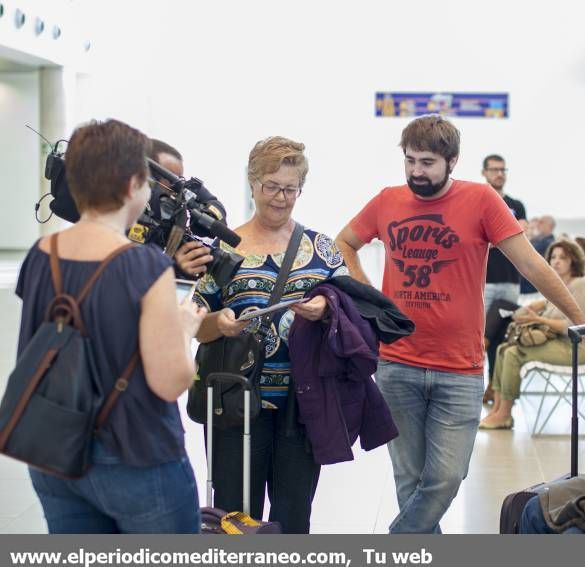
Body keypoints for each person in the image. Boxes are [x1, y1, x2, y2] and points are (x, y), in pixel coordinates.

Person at [335, 115, 585, 533]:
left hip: (459, 368)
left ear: (453, 161)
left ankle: (395, 541)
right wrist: (371, 303)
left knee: (446, 477)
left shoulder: (481, 200)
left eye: (427, 162)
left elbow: (530, 264)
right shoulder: (387, 200)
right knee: (408, 480)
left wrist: (581, 318)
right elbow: (345, 243)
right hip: (397, 363)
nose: (416, 171)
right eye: (409, 161)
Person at [16, 119, 206, 533]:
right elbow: (170, 382)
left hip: (54, 452)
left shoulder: (40, 254)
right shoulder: (144, 266)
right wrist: (186, 328)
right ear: (130, 187)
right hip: (135, 456)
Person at [194, 136, 348, 533]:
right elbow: (196, 322)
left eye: (290, 189)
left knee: (294, 517)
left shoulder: (322, 250)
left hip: (302, 405)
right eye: (271, 186)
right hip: (235, 405)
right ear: (252, 182)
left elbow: (353, 311)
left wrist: (326, 308)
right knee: (234, 517)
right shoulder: (223, 250)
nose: (280, 198)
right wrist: (220, 323)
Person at [480, 240, 585, 429]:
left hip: (578, 348)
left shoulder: (580, 285)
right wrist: (537, 307)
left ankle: (504, 414)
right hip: (560, 342)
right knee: (504, 348)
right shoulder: (559, 286)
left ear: (573, 261)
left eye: (562, 257)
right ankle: (497, 408)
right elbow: (533, 314)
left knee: (513, 354)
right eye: (553, 257)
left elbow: (571, 325)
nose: (556, 261)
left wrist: (539, 320)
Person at [145, 139, 228, 279]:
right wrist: (173, 270)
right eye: (170, 182)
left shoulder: (174, 222)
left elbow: (214, 205)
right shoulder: (126, 221)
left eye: (179, 181)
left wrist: (183, 271)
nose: (176, 192)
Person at [482, 154, 527, 312]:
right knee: (483, 332)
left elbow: (521, 237)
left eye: (502, 170)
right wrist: (507, 236)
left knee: (505, 329)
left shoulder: (517, 205)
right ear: (484, 172)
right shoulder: (479, 204)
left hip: (511, 280)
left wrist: (490, 238)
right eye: (494, 170)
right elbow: (476, 241)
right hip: (484, 281)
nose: (499, 174)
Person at [519, 215, 556, 296]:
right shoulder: (539, 240)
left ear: (550, 226)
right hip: (528, 285)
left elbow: (526, 252)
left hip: (533, 288)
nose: (538, 224)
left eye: (541, 222)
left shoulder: (549, 243)